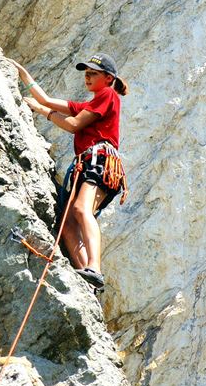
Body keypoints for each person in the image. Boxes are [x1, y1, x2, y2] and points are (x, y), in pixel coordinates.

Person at [8, 54, 128, 289]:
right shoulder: (91, 104)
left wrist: (43, 112)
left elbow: (73, 124)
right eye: (86, 73)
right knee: (68, 223)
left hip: (100, 160)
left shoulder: (107, 95)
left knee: (81, 209)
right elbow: (46, 99)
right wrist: (23, 73)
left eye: (93, 73)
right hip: (88, 163)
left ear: (108, 78)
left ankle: (94, 267)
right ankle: (89, 279)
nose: (88, 76)